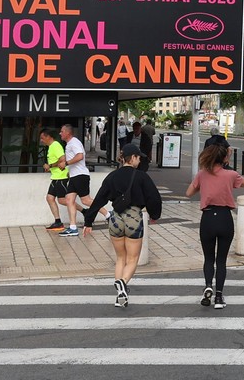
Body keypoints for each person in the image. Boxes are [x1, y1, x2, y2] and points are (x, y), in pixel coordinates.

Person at [81, 139, 163, 307]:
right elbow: (154, 198)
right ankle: (123, 283)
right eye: (138, 157)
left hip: (115, 218)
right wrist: (155, 215)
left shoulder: (112, 176)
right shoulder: (141, 176)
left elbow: (98, 200)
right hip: (133, 218)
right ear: (131, 158)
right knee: (132, 259)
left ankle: (120, 296)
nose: (139, 160)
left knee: (120, 258)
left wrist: (88, 222)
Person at [185, 137, 244, 309]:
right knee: (221, 260)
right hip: (225, 217)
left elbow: (188, 193)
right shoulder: (231, 175)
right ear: (224, 158)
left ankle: (207, 286)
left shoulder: (202, 174)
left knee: (208, 258)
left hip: (208, 218)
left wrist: (201, 185)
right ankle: (219, 297)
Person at [57, 122, 91, 236]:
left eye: (62, 131)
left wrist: (66, 163)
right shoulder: (69, 144)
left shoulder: (74, 142)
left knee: (86, 200)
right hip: (74, 176)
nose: (60, 133)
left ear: (67, 132)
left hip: (80, 176)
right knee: (69, 200)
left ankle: (108, 214)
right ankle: (73, 228)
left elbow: (80, 156)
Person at [39, 128, 68, 231]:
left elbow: (63, 160)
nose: (41, 140)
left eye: (42, 138)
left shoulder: (56, 146)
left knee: (63, 200)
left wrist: (50, 166)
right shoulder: (51, 147)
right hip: (55, 177)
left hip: (61, 176)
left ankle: (84, 211)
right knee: (50, 198)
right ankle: (58, 222)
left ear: (48, 137)